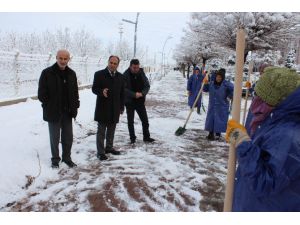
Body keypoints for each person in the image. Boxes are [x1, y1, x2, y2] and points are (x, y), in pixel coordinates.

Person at [226, 67, 300, 211]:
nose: (255, 105)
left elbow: (266, 182)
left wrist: (242, 142)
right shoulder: (272, 117)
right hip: (251, 203)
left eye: (260, 99)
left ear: (277, 101)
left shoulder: (289, 135)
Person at [38, 49, 80, 168]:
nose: (62, 61)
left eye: (65, 58)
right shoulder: (47, 73)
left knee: (68, 137)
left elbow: (75, 92)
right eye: (60, 58)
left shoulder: (72, 73)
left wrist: (76, 104)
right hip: (53, 112)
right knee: (54, 138)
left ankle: (67, 158)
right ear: (56, 58)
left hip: (67, 112)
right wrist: (49, 104)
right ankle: (55, 159)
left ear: (68, 59)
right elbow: (41, 93)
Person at [92, 55, 124, 161]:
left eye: (115, 63)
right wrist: (101, 92)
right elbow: (94, 88)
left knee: (111, 129)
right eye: (111, 62)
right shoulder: (99, 74)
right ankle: (100, 152)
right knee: (101, 131)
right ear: (108, 62)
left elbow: (122, 93)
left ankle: (109, 148)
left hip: (115, 108)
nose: (112, 65)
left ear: (118, 65)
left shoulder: (120, 76)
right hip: (103, 107)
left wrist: (121, 107)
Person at [123, 59, 155, 144]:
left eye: (137, 67)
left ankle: (146, 137)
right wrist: (134, 94)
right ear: (130, 66)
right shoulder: (125, 75)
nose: (136, 69)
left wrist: (142, 93)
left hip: (140, 101)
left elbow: (147, 86)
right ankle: (132, 138)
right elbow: (123, 89)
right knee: (130, 122)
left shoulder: (141, 72)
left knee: (145, 120)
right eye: (134, 68)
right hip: (129, 102)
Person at [203, 68, 234, 140]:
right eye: (217, 77)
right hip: (212, 105)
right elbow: (205, 89)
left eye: (220, 77)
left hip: (222, 106)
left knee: (219, 120)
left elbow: (234, 90)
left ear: (222, 78)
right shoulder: (211, 84)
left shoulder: (226, 84)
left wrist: (229, 97)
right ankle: (210, 134)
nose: (218, 78)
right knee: (211, 119)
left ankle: (218, 134)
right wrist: (205, 83)